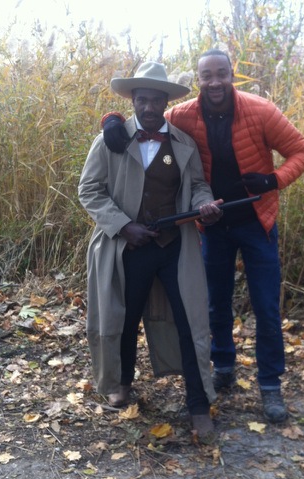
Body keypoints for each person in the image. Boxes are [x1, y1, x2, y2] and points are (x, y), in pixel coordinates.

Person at [101, 49, 304, 423]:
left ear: (233, 75)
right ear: (198, 80)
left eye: (221, 74)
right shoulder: (184, 116)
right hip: (212, 226)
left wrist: (274, 180)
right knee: (213, 303)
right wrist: (111, 120)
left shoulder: (260, 111)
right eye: (207, 76)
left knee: (265, 306)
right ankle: (224, 367)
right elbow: (147, 120)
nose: (214, 82)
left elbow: (302, 150)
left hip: (256, 222)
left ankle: (269, 385)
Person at [78, 61, 223, 438]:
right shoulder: (109, 140)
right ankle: (122, 383)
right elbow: (89, 191)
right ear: (132, 100)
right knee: (123, 319)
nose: (147, 106)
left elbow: (198, 186)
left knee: (191, 322)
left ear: (164, 102)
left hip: (174, 245)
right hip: (125, 247)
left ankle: (198, 405)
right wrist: (124, 226)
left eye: (154, 100)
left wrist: (206, 206)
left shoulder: (183, 144)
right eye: (141, 99)